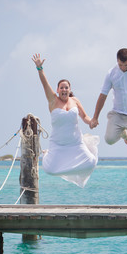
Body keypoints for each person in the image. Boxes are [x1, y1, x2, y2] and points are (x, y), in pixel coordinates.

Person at [31, 53, 98, 188]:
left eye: (66, 87)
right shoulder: (53, 100)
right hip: (58, 144)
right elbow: (45, 84)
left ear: (69, 89)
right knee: (49, 169)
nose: (64, 89)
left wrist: (91, 122)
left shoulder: (75, 101)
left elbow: (84, 117)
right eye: (61, 87)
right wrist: (40, 69)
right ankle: (47, 154)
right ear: (57, 90)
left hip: (75, 144)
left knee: (91, 162)